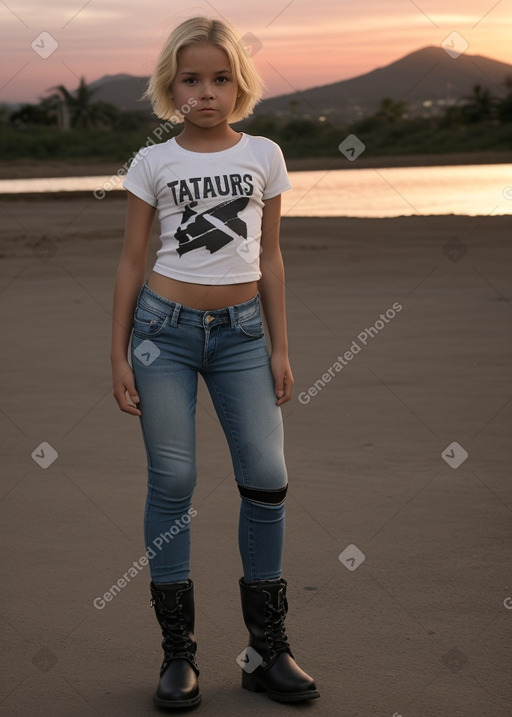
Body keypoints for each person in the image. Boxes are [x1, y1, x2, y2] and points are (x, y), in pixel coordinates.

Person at [111, 15, 320, 709]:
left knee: (266, 474)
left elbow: (271, 257)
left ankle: (267, 651)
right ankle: (179, 657)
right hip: (161, 334)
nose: (207, 91)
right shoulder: (153, 162)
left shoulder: (265, 155)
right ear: (173, 85)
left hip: (242, 336)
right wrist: (117, 352)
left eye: (221, 78)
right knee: (174, 477)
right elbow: (132, 260)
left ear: (240, 83)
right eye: (192, 79)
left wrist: (281, 346)